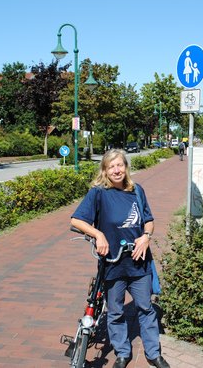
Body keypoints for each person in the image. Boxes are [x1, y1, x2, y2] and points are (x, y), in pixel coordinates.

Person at [70, 149, 170, 368]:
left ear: (126, 167)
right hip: (112, 263)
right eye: (111, 166)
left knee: (145, 308)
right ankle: (123, 353)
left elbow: (149, 220)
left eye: (120, 165)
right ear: (105, 170)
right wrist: (98, 234)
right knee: (115, 311)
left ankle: (153, 354)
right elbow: (76, 220)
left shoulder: (137, 191)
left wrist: (146, 237)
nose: (116, 170)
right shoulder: (98, 193)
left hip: (138, 262)